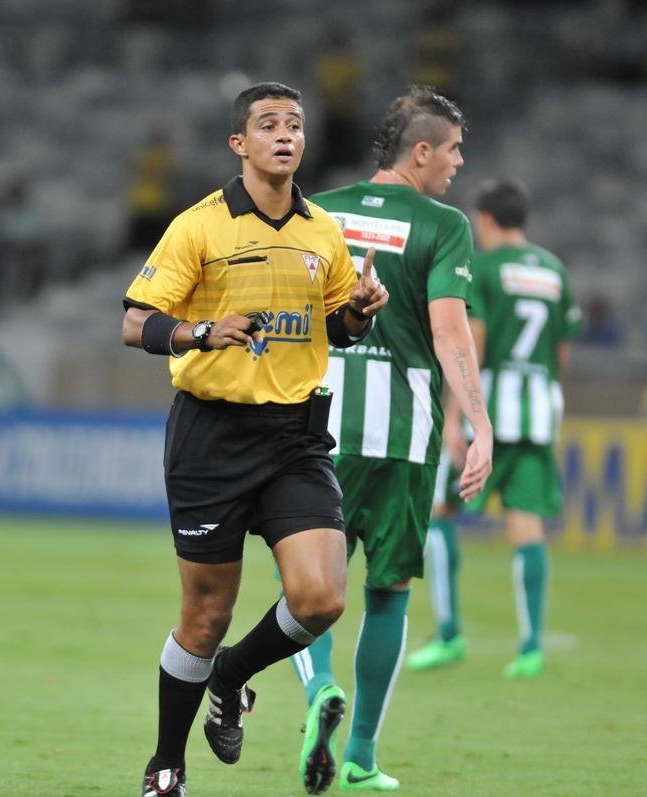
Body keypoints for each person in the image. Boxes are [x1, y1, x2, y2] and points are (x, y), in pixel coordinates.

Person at [122, 81, 390, 797]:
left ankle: (234, 675)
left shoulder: (322, 231)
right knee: (205, 615)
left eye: (296, 124)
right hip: (211, 435)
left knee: (322, 596)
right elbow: (135, 320)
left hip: (294, 438)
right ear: (239, 143)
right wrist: (200, 331)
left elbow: (336, 328)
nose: (286, 134)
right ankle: (166, 763)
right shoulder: (199, 226)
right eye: (268, 124)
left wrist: (360, 314)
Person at [285, 85, 492, 793]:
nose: (460, 163)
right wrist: (480, 421)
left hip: (317, 428)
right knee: (389, 591)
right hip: (402, 433)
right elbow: (447, 329)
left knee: (307, 586)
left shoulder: (319, 211)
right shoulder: (443, 224)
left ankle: (317, 688)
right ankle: (361, 755)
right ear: (423, 151)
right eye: (455, 149)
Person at [407, 179, 581, 679]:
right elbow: (563, 352)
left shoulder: (481, 268)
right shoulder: (553, 269)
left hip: (491, 413)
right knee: (526, 526)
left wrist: (458, 418)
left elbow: (471, 343)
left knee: (439, 514)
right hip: (539, 412)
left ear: (484, 220)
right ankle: (530, 649)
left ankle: (448, 635)